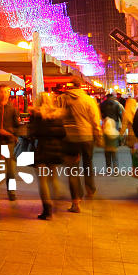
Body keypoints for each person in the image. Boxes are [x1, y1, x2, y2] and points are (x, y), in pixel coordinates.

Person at [59, 78, 102, 211]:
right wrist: (98, 134)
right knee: (88, 163)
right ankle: (90, 189)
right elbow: (95, 119)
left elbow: (58, 117)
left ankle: (76, 201)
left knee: (72, 169)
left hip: (70, 137)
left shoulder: (63, 99)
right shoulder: (88, 100)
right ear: (80, 86)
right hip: (86, 136)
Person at [28, 92, 66, 220]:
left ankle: (47, 210)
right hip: (55, 150)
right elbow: (63, 134)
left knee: (42, 180)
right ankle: (57, 200)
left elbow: (31, 133)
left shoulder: (36, 115)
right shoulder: (57, 115)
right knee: (53, 178)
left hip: (41, 150)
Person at [100, 93, 124, 170]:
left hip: (106, 122)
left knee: (107, 134)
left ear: (107, 97)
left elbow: (101, 113)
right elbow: (119, 114)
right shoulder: (116, 104)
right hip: (115, 122)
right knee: (114, 135)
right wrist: (121, 121)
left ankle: (108, 168)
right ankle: (115, 144)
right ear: (112, 97)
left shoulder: (103, 104)